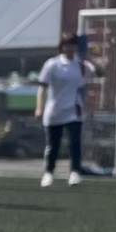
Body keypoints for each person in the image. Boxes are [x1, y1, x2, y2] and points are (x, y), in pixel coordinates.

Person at [36, 33, 96, 185]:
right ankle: (49, 172)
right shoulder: (52, 64)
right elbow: (42, 87)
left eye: (73, 45)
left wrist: (88, 58)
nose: (69, 48)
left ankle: (75, 172)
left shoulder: (81, 65)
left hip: (74, 110)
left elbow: (100, 72)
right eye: (66, 45)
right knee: (53, 145)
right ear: (62, 47)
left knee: (75, 142)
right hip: (55, 110)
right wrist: (39, 107)